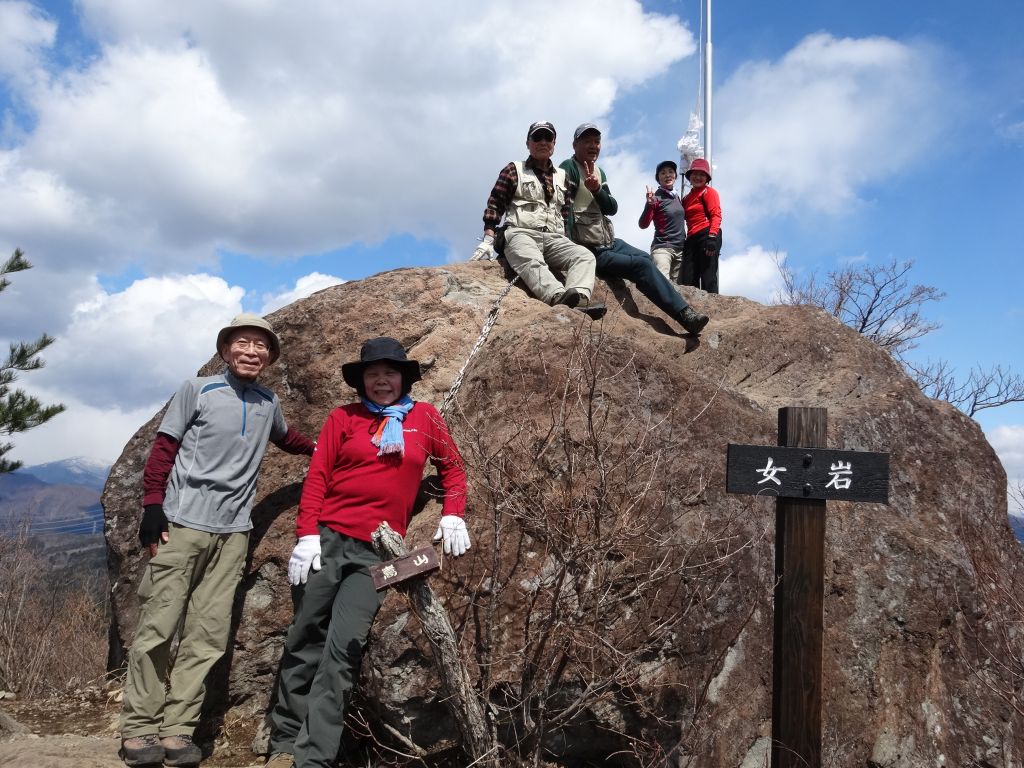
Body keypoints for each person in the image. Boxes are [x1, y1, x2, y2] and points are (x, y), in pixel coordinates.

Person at [120, 314, 316, 768]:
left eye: (260, 346)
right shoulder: (198, 389)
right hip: (182, 526)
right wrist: (152, 506)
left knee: (207, 635)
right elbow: (164, 447)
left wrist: (331, 446)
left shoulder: (267, 401)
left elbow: (289, 440)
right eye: (242, 343)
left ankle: (177, 731)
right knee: (158, 629)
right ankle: (139, 728)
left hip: (234, 533)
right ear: (226, 350)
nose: (252, 351)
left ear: (269, 357)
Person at [266, 337, 470, 768]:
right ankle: (284, 740)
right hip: (327, 540)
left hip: (377, 553)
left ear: (403, 378)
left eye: (390, 373)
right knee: (305, 636)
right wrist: (306, 536)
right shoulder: (343, 417)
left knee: (344, 648)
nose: (381, 381)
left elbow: (453, 469)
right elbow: (318, 478)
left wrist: (453, 514)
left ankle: (313, 757)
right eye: (373, 374)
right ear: (362, 380)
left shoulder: (425, 418)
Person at [559, 124, 709, 336]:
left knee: (644, 258)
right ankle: (685, 315)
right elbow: (562, 208)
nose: (593, 146)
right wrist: (569, 248)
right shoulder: (568, 167)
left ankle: (669, 301)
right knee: (640, 265)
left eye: (596, 141)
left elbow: (612, 208)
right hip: (587, 248)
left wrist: (596, 189)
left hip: (608, 241)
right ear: (575, 145)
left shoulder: (599, 172)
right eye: (587, 141)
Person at [474, 121, 606, 319]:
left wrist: (567, 239)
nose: (543, 142)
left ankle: (578, 299)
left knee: (584, 255)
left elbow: (564, 213)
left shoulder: (563, 177)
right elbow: (495, 204)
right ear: (528, 143)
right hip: (520, 233)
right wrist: (488, 239)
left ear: (554, 144)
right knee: (531, 260)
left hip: (554, 238)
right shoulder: (513, 170)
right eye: (537, 137)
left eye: (548, 138)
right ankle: (557, 297)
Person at [638, 160, 686, 283]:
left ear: (675, 175)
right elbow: (643, 224)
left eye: (671, 172)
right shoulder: (656, 198)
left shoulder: (677, 197)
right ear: (658, 179)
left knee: (678, 290)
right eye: (663, 173)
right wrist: (649, 205)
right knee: (662, 285)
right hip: (662, 248)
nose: (668, 175)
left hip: (681, 249)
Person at [680, 158, 722, 294]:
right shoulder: (686, 199)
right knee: (688, 278)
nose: (698, 177)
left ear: (707, 178)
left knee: (708, 275)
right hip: (691, 238)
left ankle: (712, 310)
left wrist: (712, 237)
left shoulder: (709, 192)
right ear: (690, 176)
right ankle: (692, 311)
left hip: (707, 233)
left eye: (702, 174)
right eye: (695, 174)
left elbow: (716, 214)